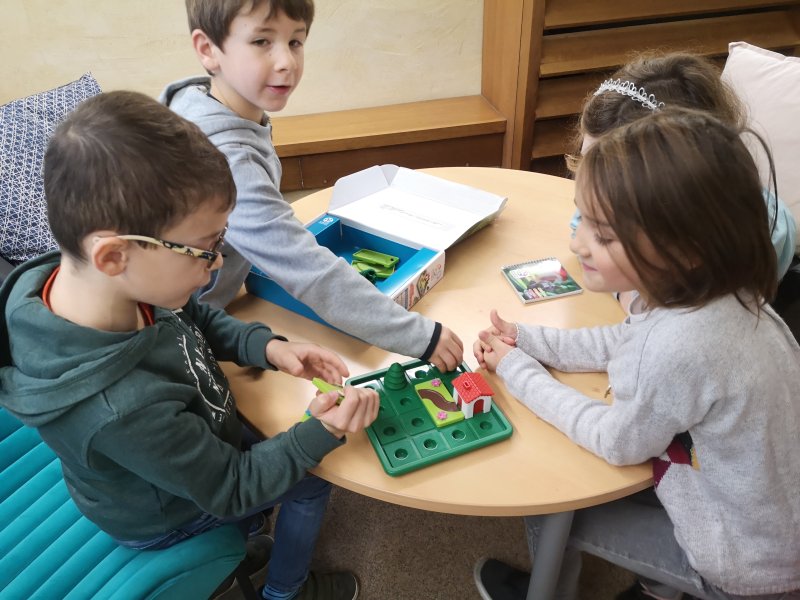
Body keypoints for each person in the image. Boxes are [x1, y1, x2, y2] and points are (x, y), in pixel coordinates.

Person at [0, 91, 380, 600]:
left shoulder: (97, 285)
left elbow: (191, 316)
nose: (219, 262)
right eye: (206, 248)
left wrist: (266, 347)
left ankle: (250, 537)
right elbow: (233, 487)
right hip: (166, 514)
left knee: (264, 445)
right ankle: (286, 592)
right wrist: (322, 429)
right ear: (113, 255)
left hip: (189, 448)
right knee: (311, 480)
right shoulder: (121, 407)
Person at [472, 109, 800, 599]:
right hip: (768, 512)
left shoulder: (679, 347)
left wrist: (518, 372)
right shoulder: (722, 292)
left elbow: (616, 441)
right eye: (583, 219)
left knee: (550, 503)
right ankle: (659, 589)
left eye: (603, 235)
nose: (579, 242)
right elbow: (624, 339)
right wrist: (527, 339)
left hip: (748, 567)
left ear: (685, 249)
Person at [159, 0, 464, 372]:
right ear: (208, 49)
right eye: (261, 41)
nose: (286, 61)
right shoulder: (228, 159)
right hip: (185, 336)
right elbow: (310, 272)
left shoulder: (205, 100)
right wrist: (422, 337)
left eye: (295, 41)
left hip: (219, 311)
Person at [568, 52, 796, 285]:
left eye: (604, 236)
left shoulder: (759, 234)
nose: (591, 177)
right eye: (586, 158)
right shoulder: (611, 207)